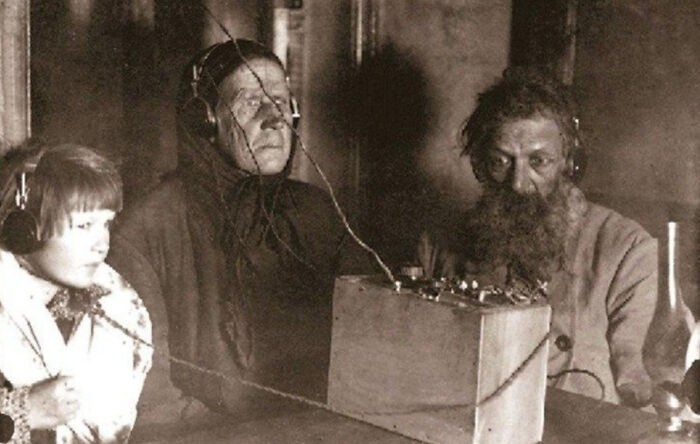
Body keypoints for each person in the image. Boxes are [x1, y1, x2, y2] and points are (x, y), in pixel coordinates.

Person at [107, 39, 371, 418]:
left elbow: (368, 344)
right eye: (250, 102)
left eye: (280, 102)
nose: (274, 119)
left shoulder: (317, 213)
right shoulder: (146, 229)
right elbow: (149, 393)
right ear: (205, 121)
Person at [417, 68, 661, 407]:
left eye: (539, 161)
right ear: (480, 165)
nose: (519, 183)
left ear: (568, 160)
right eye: (500, 162)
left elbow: (644, 385)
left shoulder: (628, 251)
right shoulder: (437, 246)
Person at [0, 143, 152, 443]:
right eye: (84, 225)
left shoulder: (119, 303)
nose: (102, 244)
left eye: (106, 223)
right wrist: (23, 411)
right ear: (25, 230)